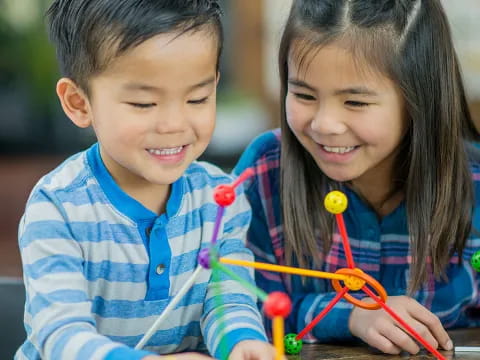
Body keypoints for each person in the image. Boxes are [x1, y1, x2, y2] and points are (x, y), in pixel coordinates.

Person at [15, 1, 276, 359]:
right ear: (79, 103)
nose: (174, 124)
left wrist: (241, 342)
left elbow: (228, 299)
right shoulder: (58, 208)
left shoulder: (221, 199)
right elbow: (61, 337)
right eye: (143, 104)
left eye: (197, 98)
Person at [234, 0, 480, 356]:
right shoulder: (265, 171)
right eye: (303, 94)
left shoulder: (473, 183)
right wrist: (351, 316)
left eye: (355, 102)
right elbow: (231, 303)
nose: (324, 124)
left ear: (419, 99)